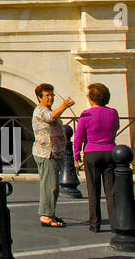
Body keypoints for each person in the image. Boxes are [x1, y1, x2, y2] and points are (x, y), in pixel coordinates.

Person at [73, 83, 121, 232]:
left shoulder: (86, 114)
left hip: (92, 152)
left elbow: (79, 137)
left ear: (91, 98)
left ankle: (95, 223)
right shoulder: (113, 112)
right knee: (111, 190)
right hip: (110, 151)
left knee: (93, 190)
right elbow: (116, 127)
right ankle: (115, 221)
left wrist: (76, 155)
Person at [32, 83, 73, 227]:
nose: (50, 98)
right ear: (39, 97)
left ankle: (50, 212)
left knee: (52, 185)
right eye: (47, 95)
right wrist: (64, 106)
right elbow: (50, 117)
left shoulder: (47, 109)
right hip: (46, 153)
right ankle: (46, 216)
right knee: (50, 186)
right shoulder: (40, 110)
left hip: (54, 153)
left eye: (52, 95)